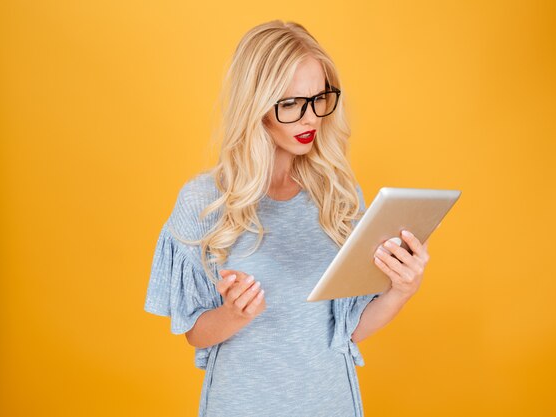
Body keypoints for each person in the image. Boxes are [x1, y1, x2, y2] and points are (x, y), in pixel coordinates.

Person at [144, 19, 430, 417]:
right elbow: (195, 333)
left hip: (331, 403)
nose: (311, 118)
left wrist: (401, 289)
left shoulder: (338, 196)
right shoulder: (204, 201)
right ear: (255, 106)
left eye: (319, 98)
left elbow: (348, 329)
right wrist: (232, 314)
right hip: (241, 405)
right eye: (291, 103)